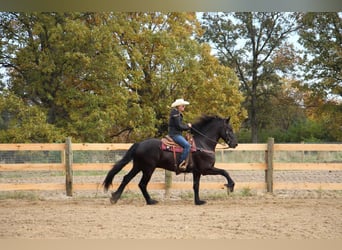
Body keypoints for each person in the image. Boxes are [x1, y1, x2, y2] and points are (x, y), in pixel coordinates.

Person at [168, 98, 192, 170]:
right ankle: (181, 163)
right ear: (178, 106)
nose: (184, 107)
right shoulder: (175, 113)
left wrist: (187, 127)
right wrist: (188, 126)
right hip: (175, 135)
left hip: (177, 134)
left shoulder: (177, 113)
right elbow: (179, 126)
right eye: (183, 106)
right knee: (187, 146)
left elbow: (180, 125)